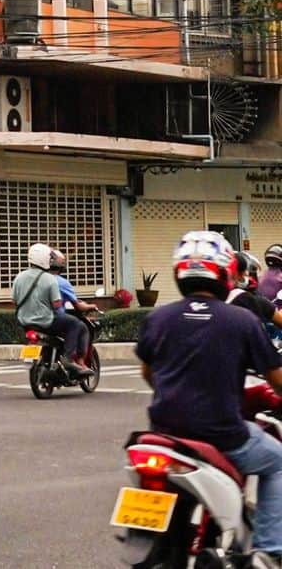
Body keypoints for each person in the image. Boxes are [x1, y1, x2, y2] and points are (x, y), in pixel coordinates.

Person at [137, 230, 282, 568]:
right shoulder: (243, 319)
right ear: (227, 271)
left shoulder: (157, 318)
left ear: (179, 272)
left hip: (163, 434)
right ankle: (269, 552)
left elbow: (149, 374)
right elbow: (278, 382)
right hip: (222, 434)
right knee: (278, 461)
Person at [11, 242, 91, 378]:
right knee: (75, 324)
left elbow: (14, 301)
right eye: (49, 258)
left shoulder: (19, 277)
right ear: (43, 259)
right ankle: (67, 359)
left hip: (25, 322)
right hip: (46, 322)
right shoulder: (49, 279)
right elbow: (57, 304)